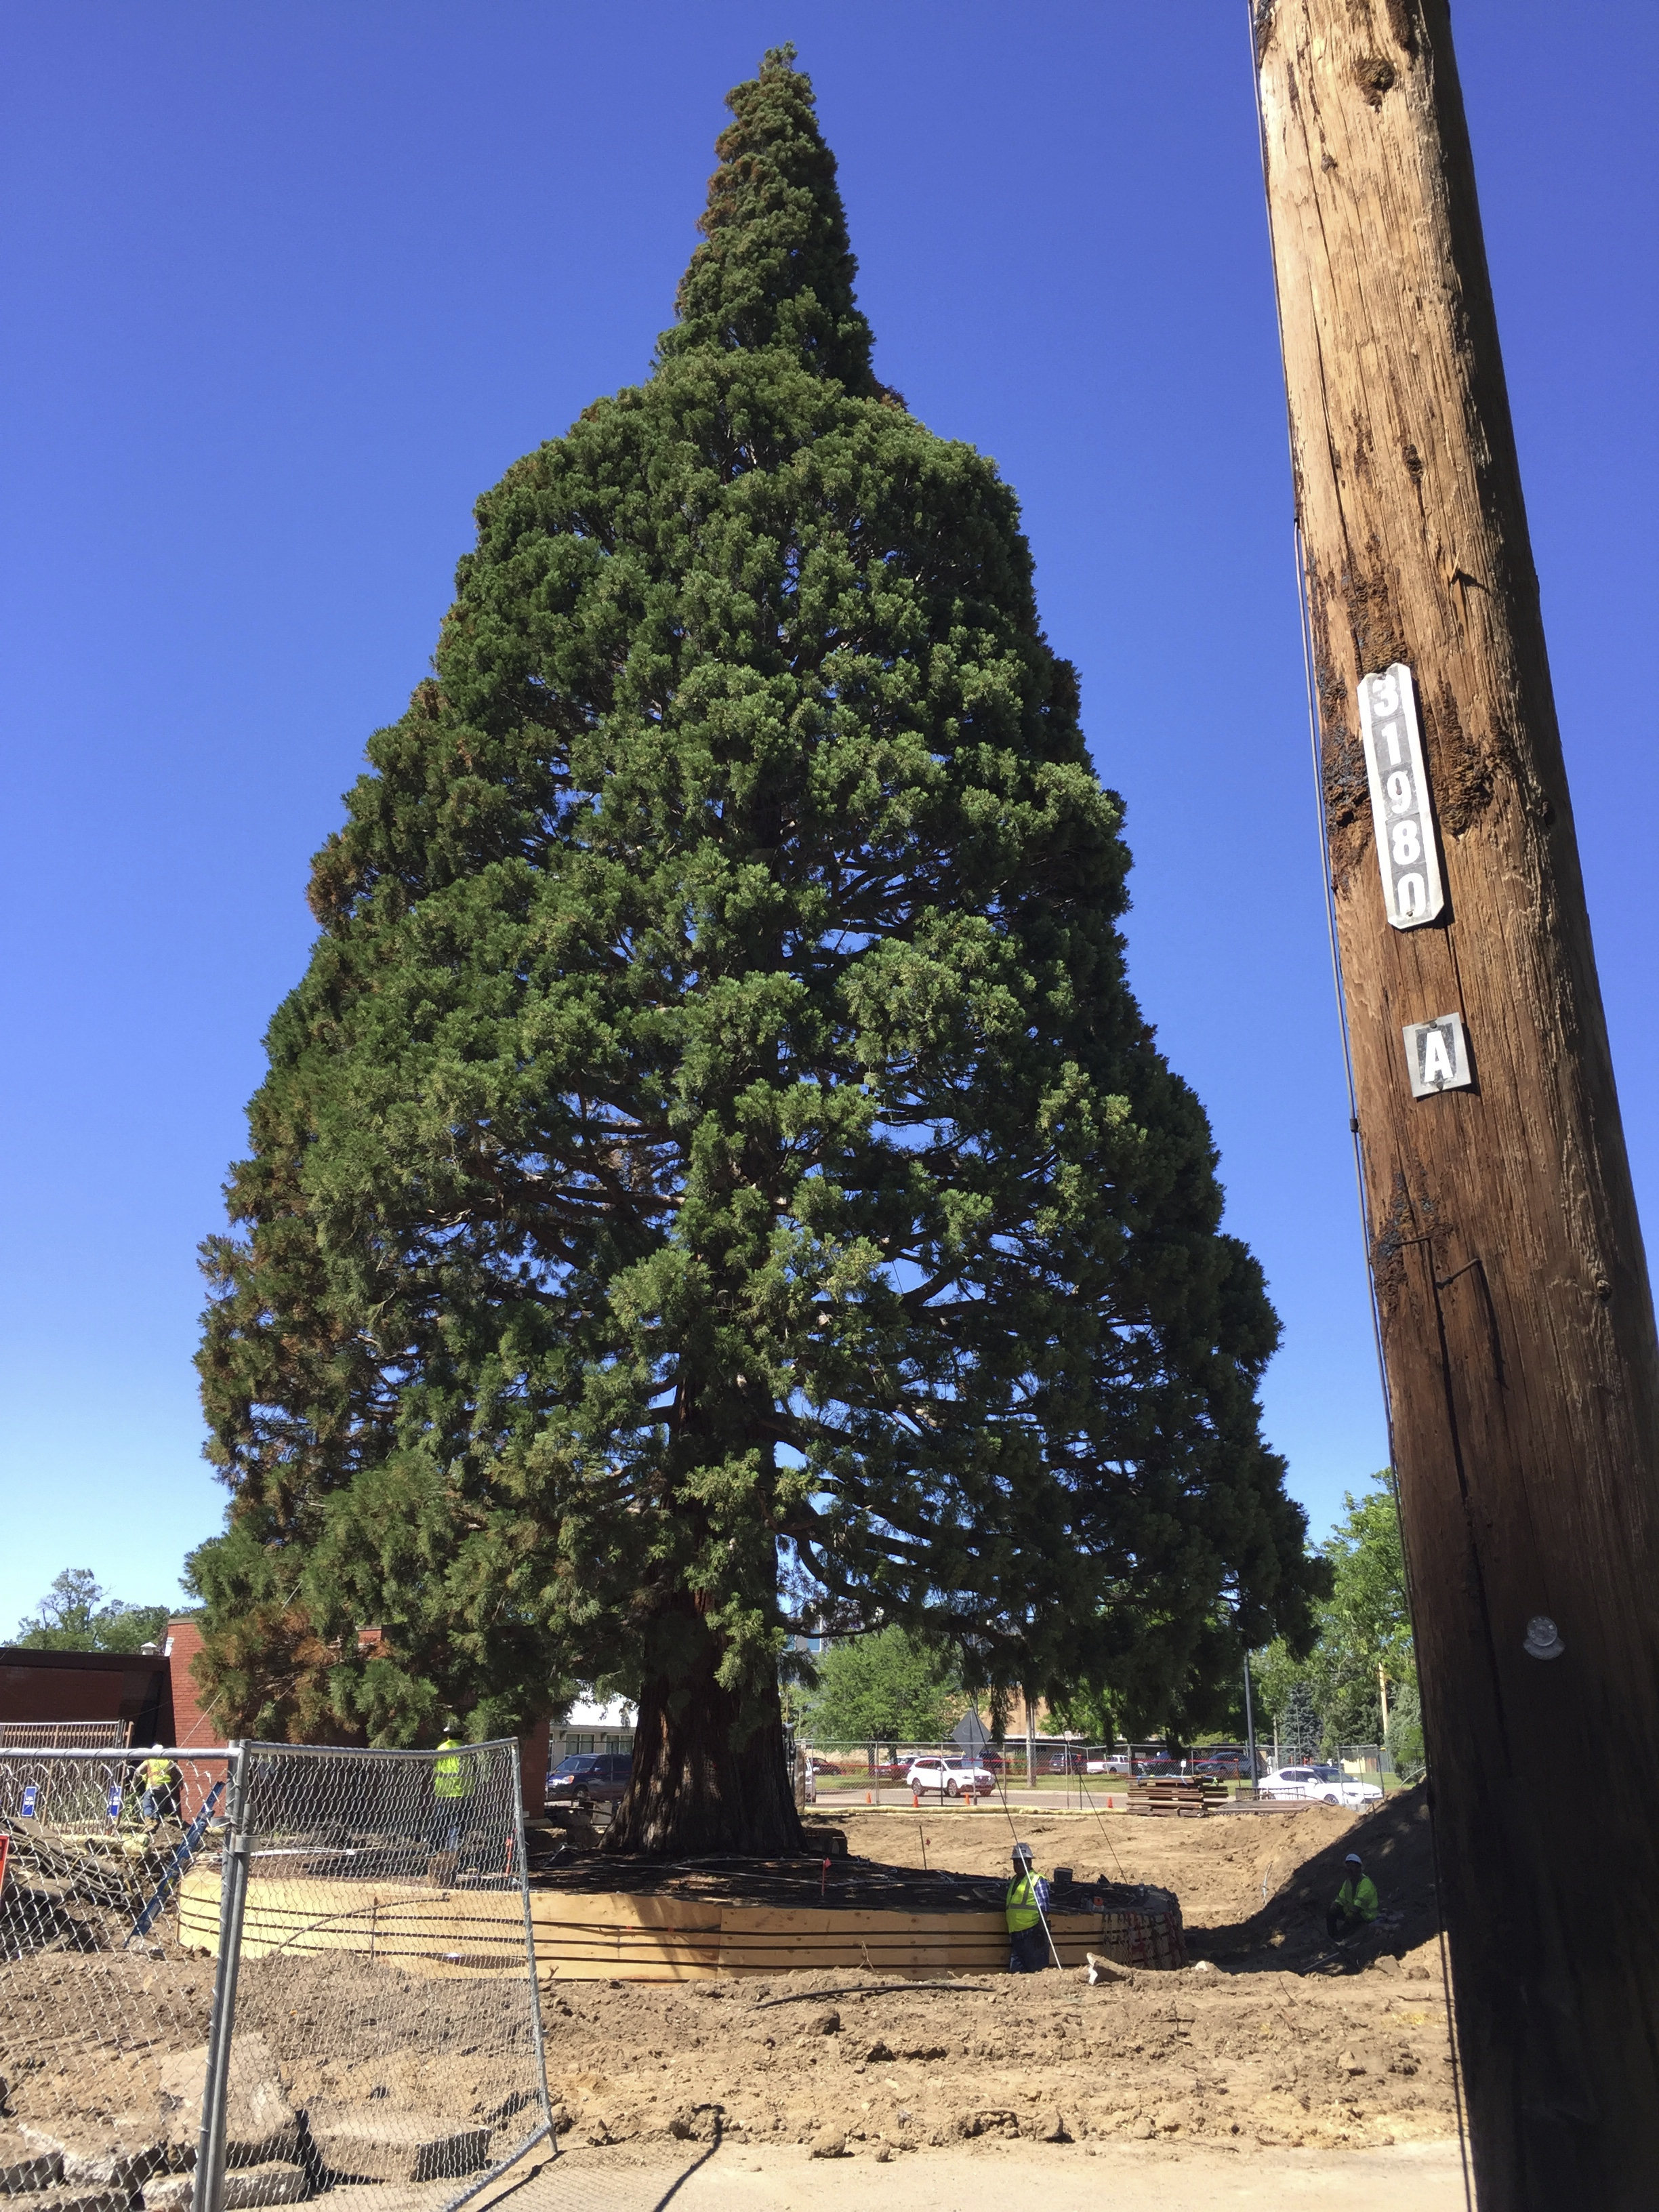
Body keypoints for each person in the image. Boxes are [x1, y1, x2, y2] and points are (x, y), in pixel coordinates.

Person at [429, 1724, 476, 1867]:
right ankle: (453, 1856)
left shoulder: (441, 1749)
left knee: (440, 1824)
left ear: (447, 1735)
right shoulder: (469, 1749)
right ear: (462, 1734)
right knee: (457, 1826)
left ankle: (435, 1853)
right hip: (463, 1793)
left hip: (443, 1793)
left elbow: (434, 1767)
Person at [1006, 1843, 1052, 1973]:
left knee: (1036, 1972)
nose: (1017, 1865)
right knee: (1016, 1974)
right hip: (1017, 1936)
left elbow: (1044, 1908)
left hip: (1032, 1935)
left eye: (1020, 1862)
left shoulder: (1037, 1880)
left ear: (1029, 1862)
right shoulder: (1015, 1881)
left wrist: (1040, 1932)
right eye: (1015, 1862)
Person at [1327, 1851, 1379, 1942]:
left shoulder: (1366, 1883)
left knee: (1351, 1918)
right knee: (1331, 1913)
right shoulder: (1348, 1883)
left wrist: (1351, 1912)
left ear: (1359, 1868)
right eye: (1348, 1866)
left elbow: (1360, 1904)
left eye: (1352, 1866)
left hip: (1366, 1915)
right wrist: (1335, 1905)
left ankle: (1342, 1938)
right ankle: (1333, 1937)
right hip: (1352, 1911)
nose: (1349, 1869)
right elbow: (1341, 1898)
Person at [138, 1746, 181, 1835]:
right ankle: (158, 1822)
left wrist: (134, 1783)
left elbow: (138, 1771)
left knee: (147, 1803)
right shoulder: (168, 1761)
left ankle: (149, 1823)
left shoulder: (149, 1761)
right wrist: (181, 1783)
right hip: (166, 1788)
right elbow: (177, 1773)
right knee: (160, 1805)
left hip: (153, 1786)